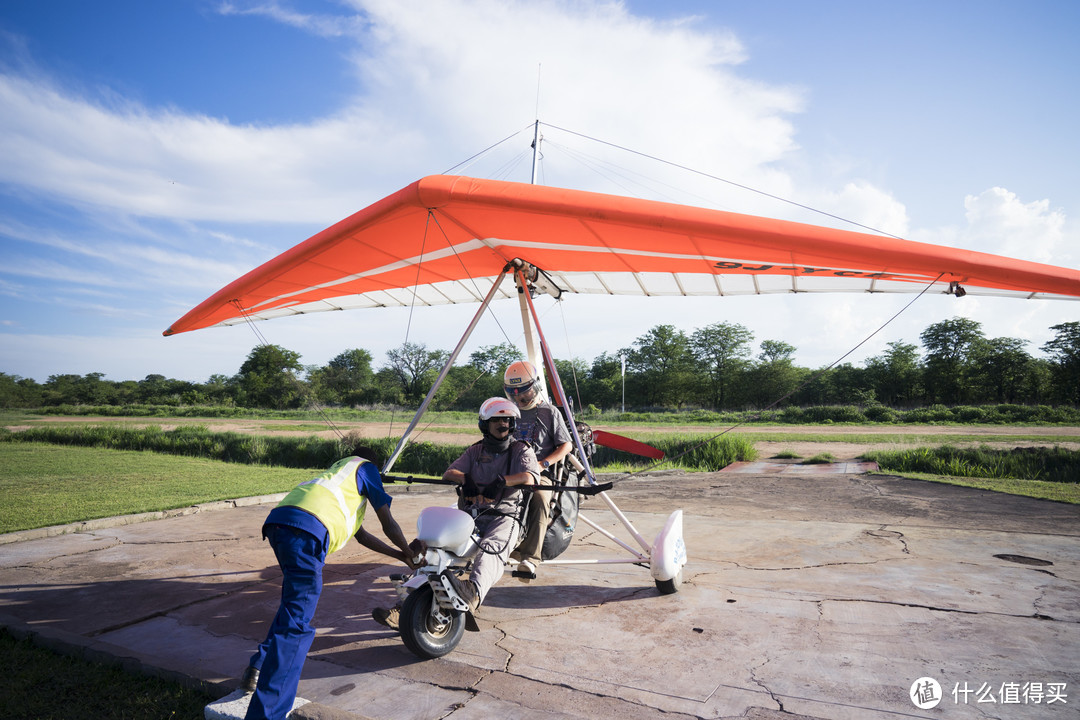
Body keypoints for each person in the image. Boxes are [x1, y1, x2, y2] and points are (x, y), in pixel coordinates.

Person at [241, 450, 421, 720]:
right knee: (296, 626)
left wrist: (398, 556)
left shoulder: (338, 479)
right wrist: (409, 552)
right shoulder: (366, 468)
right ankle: (266, 715)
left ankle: (258, 665)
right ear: (375, 465)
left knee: (292, 607)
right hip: (306, 532)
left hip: (281, 524)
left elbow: (362, 536)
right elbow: (388, 524)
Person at [441, 397, 540, 611]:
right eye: (496, 420)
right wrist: (465, 479)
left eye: (507, 420)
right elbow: (449, 472)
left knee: (490, 549)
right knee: (436, 544)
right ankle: (410, 598)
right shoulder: (475, 451)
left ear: (512, 424)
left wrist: (504, 481)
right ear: (485, 424)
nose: (502, 424)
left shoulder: (521, 450)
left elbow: (530, 477)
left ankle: (472, 593)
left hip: (506, 515)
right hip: (472, 514)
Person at [502, 361, 573, 579]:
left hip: (540, 473)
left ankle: (530, 558)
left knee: (541, 499)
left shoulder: (549, 412)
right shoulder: (507, 412)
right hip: (512, 472)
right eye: (514, 394)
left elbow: (566, 445)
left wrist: (544, 464)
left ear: (535, 387)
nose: (519, 399)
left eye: (524, 393)